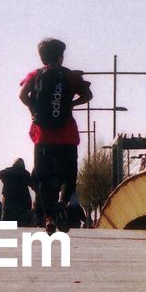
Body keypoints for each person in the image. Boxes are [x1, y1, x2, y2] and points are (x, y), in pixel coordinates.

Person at [20, 38, 92, 233]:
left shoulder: (35, 75)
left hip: (42, 136)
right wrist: (71, 104)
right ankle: (62, 202)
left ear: (42, 57)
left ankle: (49, 218)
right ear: (60, 56)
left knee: (43, 179)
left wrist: (34, 111)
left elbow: (22, 96)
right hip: (66, 136)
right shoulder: (69, 76)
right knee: (69, 176)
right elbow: (88, 96)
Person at [0, 157, 33, 225]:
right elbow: (32, 183)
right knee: (21, 221)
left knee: (7, 219)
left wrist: (6, 181)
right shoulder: (25, 173)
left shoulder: (8, 171)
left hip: (9, 198)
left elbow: (0, 174)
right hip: (22, 199)